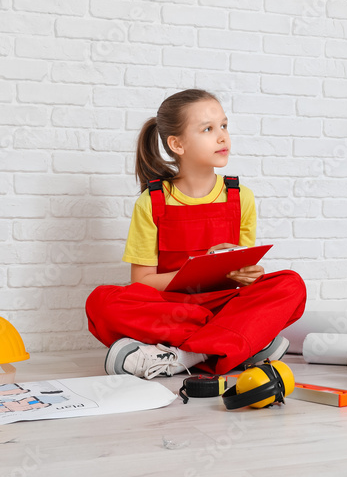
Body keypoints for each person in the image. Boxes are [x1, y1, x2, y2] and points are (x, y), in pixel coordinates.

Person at [86, 89, 306, 380]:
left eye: (224, 126)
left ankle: (184, 356)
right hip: (173, 308)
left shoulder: (242, 198)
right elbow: (141, 282)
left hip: (224, 303)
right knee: (101, 302)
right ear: (177, 144)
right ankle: (238, 342)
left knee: (291, 285)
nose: (222, 137)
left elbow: (240, 272)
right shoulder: (151, 202)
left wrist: (247, 274)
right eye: (208, 129)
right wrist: (201, 266)